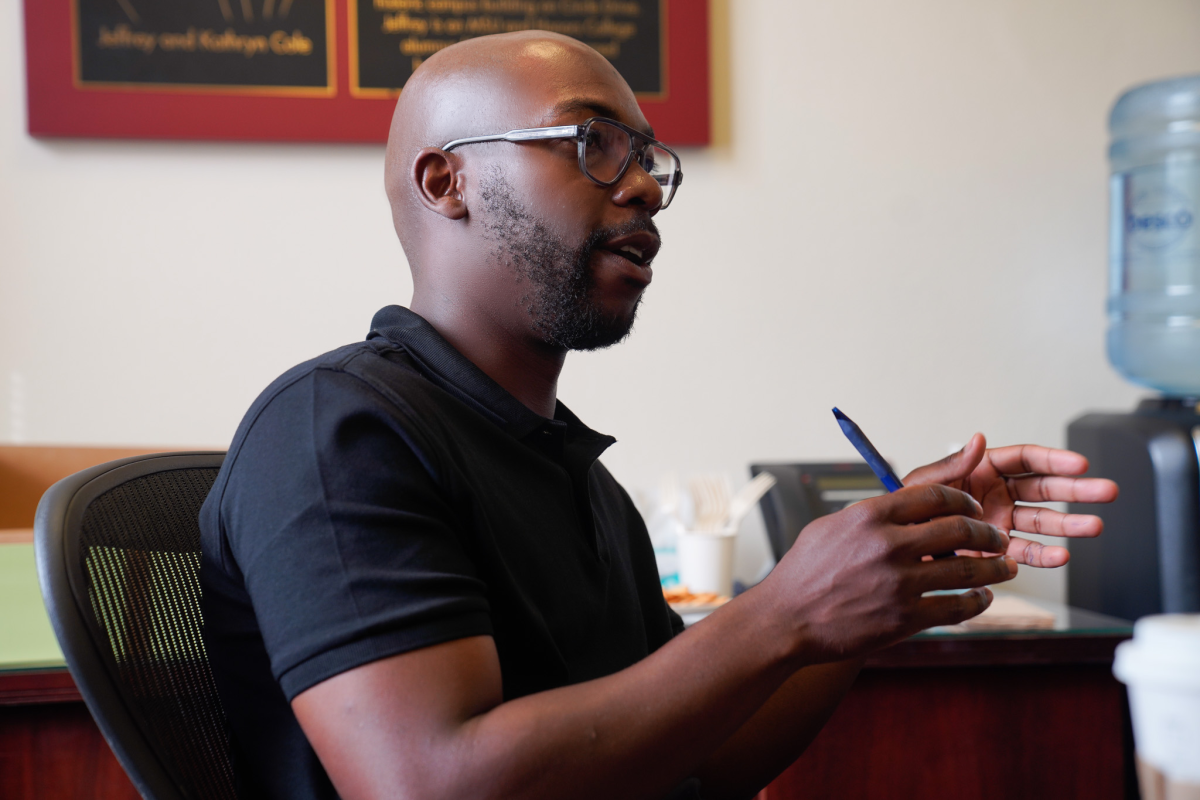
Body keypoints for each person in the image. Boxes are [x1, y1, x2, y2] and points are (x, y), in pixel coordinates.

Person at [199, 30, 1118, 800]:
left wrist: (875, 592)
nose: (640, 186)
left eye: (647, 160)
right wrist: (786, 610)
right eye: (591, 143)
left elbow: (694, 759)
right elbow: (425, 783)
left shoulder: (583, 485)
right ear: (448, 182)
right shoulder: (336, 430)